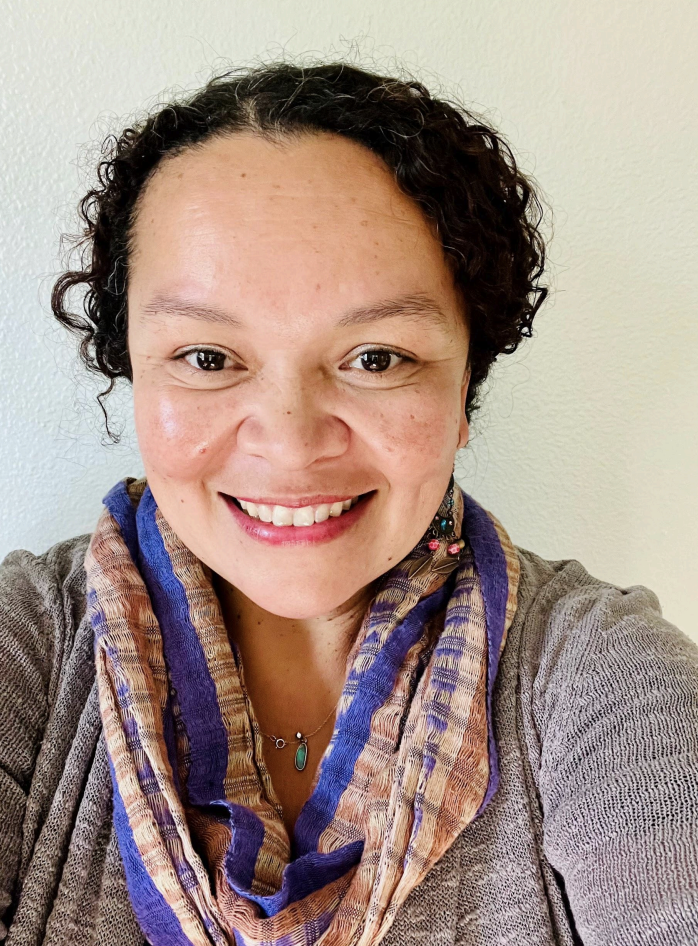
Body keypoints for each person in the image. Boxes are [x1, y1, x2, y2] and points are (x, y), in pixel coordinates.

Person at [1, 61, 696, 946]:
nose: (289, 443)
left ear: (465, 386)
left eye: (376, 357)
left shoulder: (598, 678)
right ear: (133, 368)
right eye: (208, 358)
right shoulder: (29, 643)